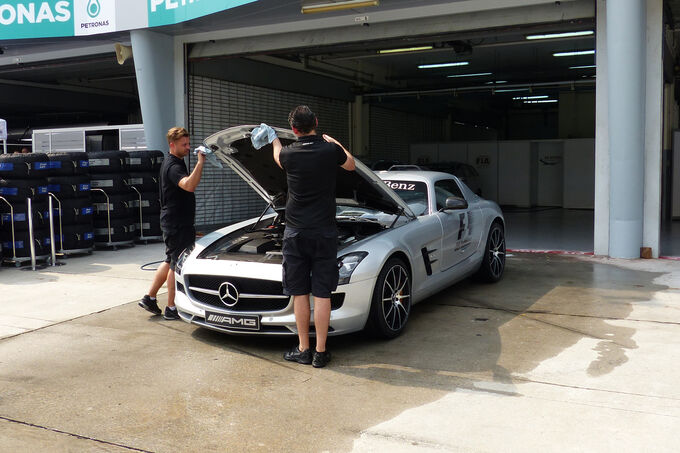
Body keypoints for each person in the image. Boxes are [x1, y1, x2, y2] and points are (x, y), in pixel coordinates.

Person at [272, 106, 355, 368]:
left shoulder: (288, 154)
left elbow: (276, 155)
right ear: (316, 122)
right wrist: (334, 141)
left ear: (294, 129)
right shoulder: (330, 150)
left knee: (299, 293)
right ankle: (320, 352)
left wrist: (274, 139)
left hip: (296, 231)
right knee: (322, 294)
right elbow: (351, 165)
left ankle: (303, 349)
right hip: (324, 231)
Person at [139, 127, 205, 320]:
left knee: (169, 261)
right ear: (172, 145)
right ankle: (171, 308)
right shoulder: (174, 166)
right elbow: (189, 185)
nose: (188, 147)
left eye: (188, 143)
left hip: (174, 221)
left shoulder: (173, 162)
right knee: (176, 264)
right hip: (177, 223)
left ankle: (149, 297)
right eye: (184, 144)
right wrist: (200, 163)